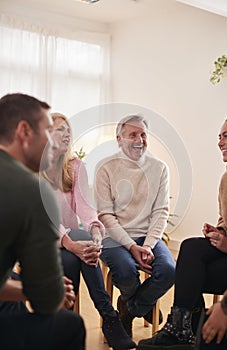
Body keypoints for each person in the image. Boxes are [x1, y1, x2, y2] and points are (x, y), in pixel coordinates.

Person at [137, 113, 227, 350]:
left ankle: (186, 332)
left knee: (192, 274)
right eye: (219, 137)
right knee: (190, 248)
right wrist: (218, 231)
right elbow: (226, 221)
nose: (220, 142)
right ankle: (182, 330)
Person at [42, 112, 136, 350]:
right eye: (59, 130)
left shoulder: (75, 166)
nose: (66, 134)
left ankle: (74, 323)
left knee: (80, 250)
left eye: (68, 130)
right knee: (76, 250)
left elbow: (85, 208)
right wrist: (70, 242)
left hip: (74, 240)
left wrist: (95, 231)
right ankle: (109, 317)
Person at [0, 93, 85, 350]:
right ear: (24, 131)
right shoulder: (31, 190)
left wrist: (26, 288)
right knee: (71, 325)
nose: (53, 141)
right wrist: (52, 291)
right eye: (48, 131)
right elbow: (47, 302)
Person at [94, 114, 176, 337]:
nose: (139, 139)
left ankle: (129, 309)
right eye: (133, 134)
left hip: (148, 237)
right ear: (119, 139)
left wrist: (148, 245)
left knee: (169, 271)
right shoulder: (105, 167)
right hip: (114, 238)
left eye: (143, 134)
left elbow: (161, 211)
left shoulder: (159, 168)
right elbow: (105, 215)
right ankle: (144, 305)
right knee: (126, 271)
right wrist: (131, 246)